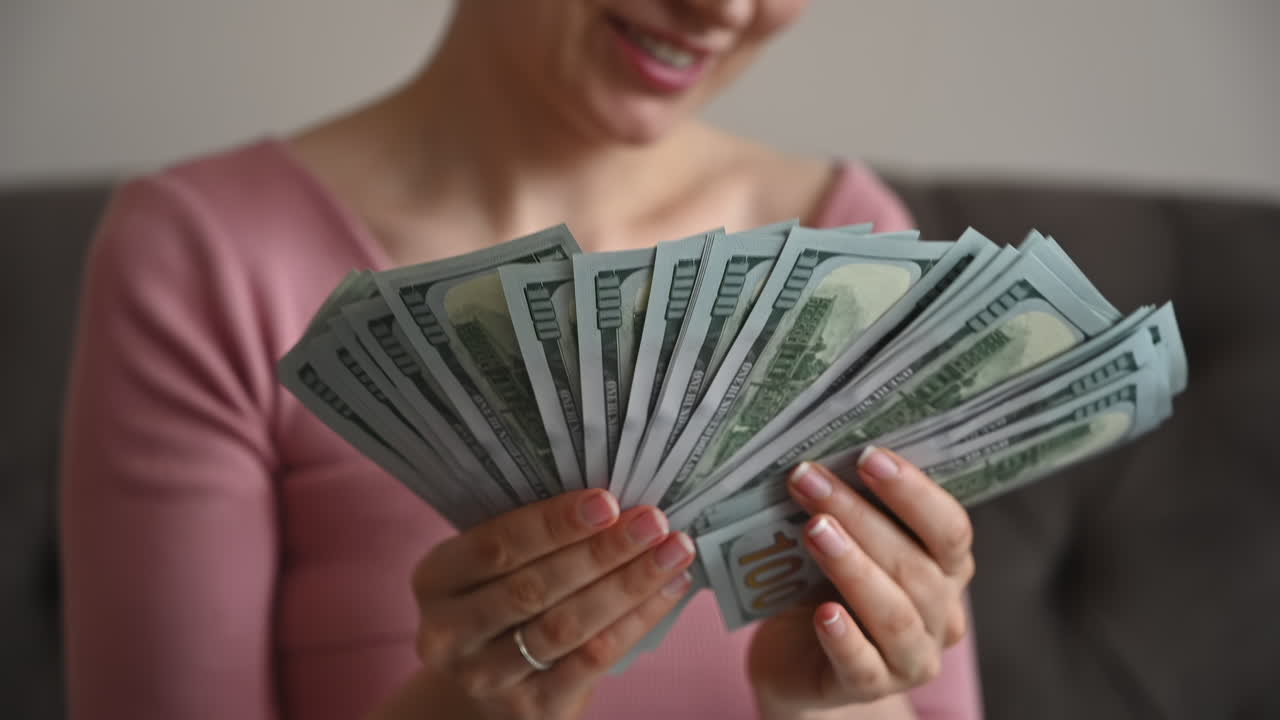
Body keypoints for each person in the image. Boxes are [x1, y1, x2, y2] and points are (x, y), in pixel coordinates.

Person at [60, 1, 983, 718]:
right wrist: (472, 705)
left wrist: (816, 704)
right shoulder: (202, 257)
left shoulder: (856, 242)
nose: (725, 9)